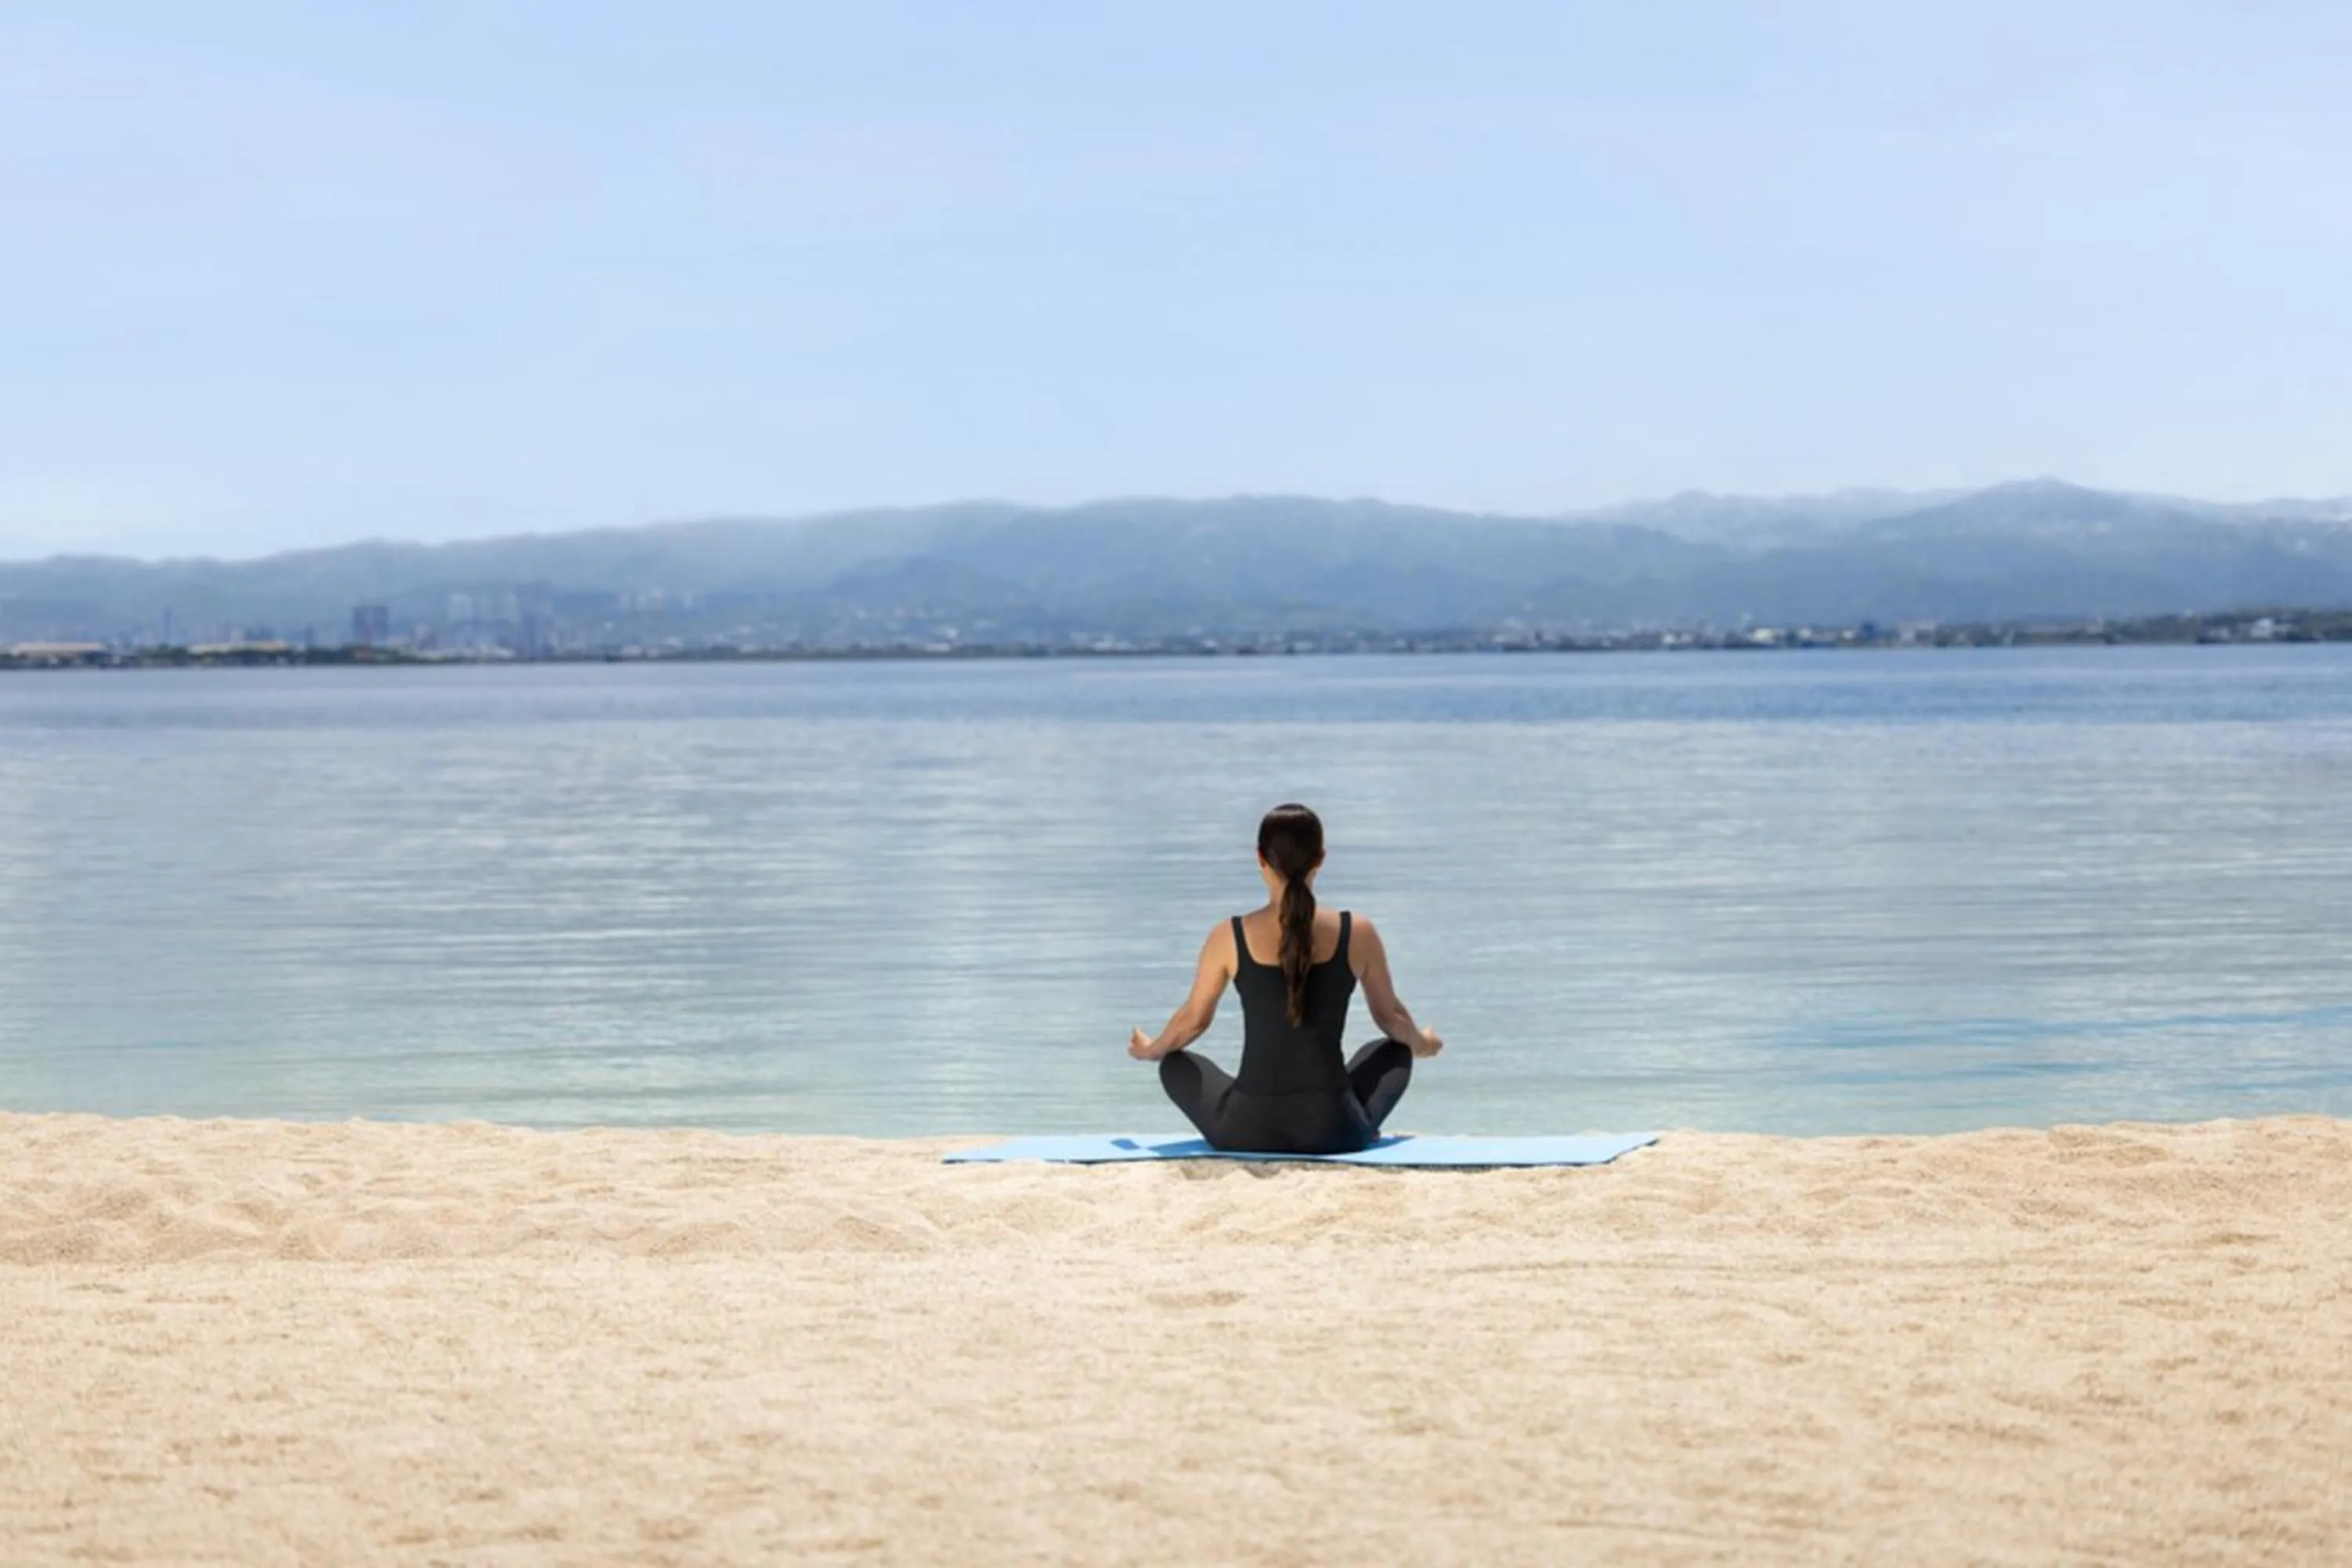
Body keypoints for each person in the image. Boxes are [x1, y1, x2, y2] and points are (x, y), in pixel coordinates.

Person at [1127, 802, 1444, 1154]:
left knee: (1175, 1064)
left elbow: (1192, 1022)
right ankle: (1361, 1123)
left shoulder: (1231, 935)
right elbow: (1391, 1019)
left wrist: (1150, 1050)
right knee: (1395, 1051)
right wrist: (1424, 1044)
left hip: (1246, 1130)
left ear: (1260, 858)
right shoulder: (1357, 931)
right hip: (1336, 1132)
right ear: (1321, 858)